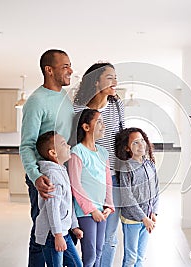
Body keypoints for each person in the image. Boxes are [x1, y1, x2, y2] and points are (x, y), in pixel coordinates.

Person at [19, 49, 75, 267]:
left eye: (70, 65)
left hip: (64, 174)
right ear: (48, 70)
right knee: (41, 233)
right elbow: (27, 145)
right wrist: (35, 177)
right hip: (45, 178)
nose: (70, 70)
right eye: (65, 66)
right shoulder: (36, 101)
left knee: (62, 228)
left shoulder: (64, 98)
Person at [73, 62, 124, 267]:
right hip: (88, 181)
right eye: (109, 77)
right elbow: (75, 143)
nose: (115, 81)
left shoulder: (116, 104)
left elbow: (122, 135)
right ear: (95, 81)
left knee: (109, 237)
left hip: (113, 177)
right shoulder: (78, 109)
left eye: (115, 77)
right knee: (89, 241)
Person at [68, 109, 115, 267]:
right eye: (99, 121)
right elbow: (76, 185)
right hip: (86, 211)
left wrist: (109, 205)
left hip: (102, 210)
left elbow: (108, 182)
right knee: (90, 254)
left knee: (99, 250)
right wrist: (91, 209)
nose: (103, 125)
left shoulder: (103, 152)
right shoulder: (77, 152)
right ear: (86, 127)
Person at [34, 131, 83, 267]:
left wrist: (74, 226)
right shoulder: (52, 175)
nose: (68, 146)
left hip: (63, 232)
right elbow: (52, 209)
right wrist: (58, 235)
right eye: (63, 144)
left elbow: (68, 203)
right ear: (53, 153)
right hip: (52, 235)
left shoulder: (61, 170)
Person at [115, 127, 159, 267]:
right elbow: (127, 198)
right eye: (135, 143)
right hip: (132, 220)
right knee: (131, 258)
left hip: (147, 218)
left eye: (142, 141)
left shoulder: (150, 165)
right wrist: (143, 218)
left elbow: (156, 190)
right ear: (127, 148)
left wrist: (154, 212)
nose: (140, 145)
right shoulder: (126, 168)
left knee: (141, 257)